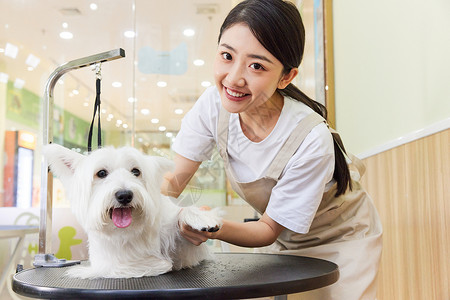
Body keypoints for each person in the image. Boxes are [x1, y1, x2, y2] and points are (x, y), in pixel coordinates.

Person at [161, 0, 382, 299]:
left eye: (256, 66)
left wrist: (208, 225)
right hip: (288, 239)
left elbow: (266, 230)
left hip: (343, 241)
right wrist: (135, 207)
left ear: (286, 77)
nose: (234, 78)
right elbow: (174, 180)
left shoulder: (311, 139)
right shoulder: (212, 106)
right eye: (227, 56)